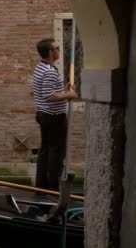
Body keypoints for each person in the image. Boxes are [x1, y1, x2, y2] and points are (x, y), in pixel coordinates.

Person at [32, 38, 77, 191]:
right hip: (53, 116)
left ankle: (41, 187)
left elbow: (49, 91)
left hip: (44, 114)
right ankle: (53, 189)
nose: (58, 50)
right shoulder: (49, 71)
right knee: (56, 153)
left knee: (45, 152)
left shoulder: (40, 67)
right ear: (51, 52)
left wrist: (64, 90)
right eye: (56, 48)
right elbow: (49, 96)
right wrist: (69, 94)